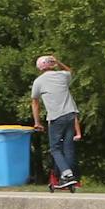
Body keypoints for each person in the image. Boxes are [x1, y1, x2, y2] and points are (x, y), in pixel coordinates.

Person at [29, 55, 82, 191]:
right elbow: (71, 71)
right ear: (51, 65)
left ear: (39, 68)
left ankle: (67, 174)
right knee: (68, 147)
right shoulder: (62, 75)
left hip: (56, 118)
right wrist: (58, 61)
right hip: (70, 115)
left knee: (55, 148)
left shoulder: (38, 82)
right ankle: (68, 176)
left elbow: (35, 102)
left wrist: (37, 122)